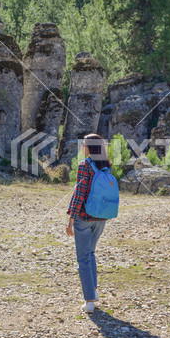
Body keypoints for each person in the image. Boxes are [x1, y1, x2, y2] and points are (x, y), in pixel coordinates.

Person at [66, 133, 112, 314]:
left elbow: (79, 193)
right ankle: (93, 291)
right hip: (101, 218)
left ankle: (89, 301)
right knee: (91, 254)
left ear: (90, 147)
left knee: (83, 258)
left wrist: (71, 218)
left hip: (84, 217)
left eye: (84, 144)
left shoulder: (85, 165)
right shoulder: (106, 166)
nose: (82, 147)